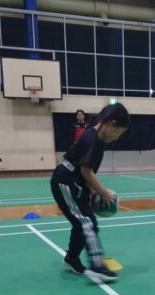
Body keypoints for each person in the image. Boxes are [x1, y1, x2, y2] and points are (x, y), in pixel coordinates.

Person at [50, 103, 130, 282]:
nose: (117, 137)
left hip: (76, 182)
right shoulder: (91, 138)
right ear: (112, 124)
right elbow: (86, 171)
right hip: (66, 181)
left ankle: (71, 258)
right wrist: (103, 193)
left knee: (81, 223)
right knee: (87, 222)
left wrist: (93, 191)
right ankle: (97, 266)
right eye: (119, 133)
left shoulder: (97, 139)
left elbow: (86, 171)